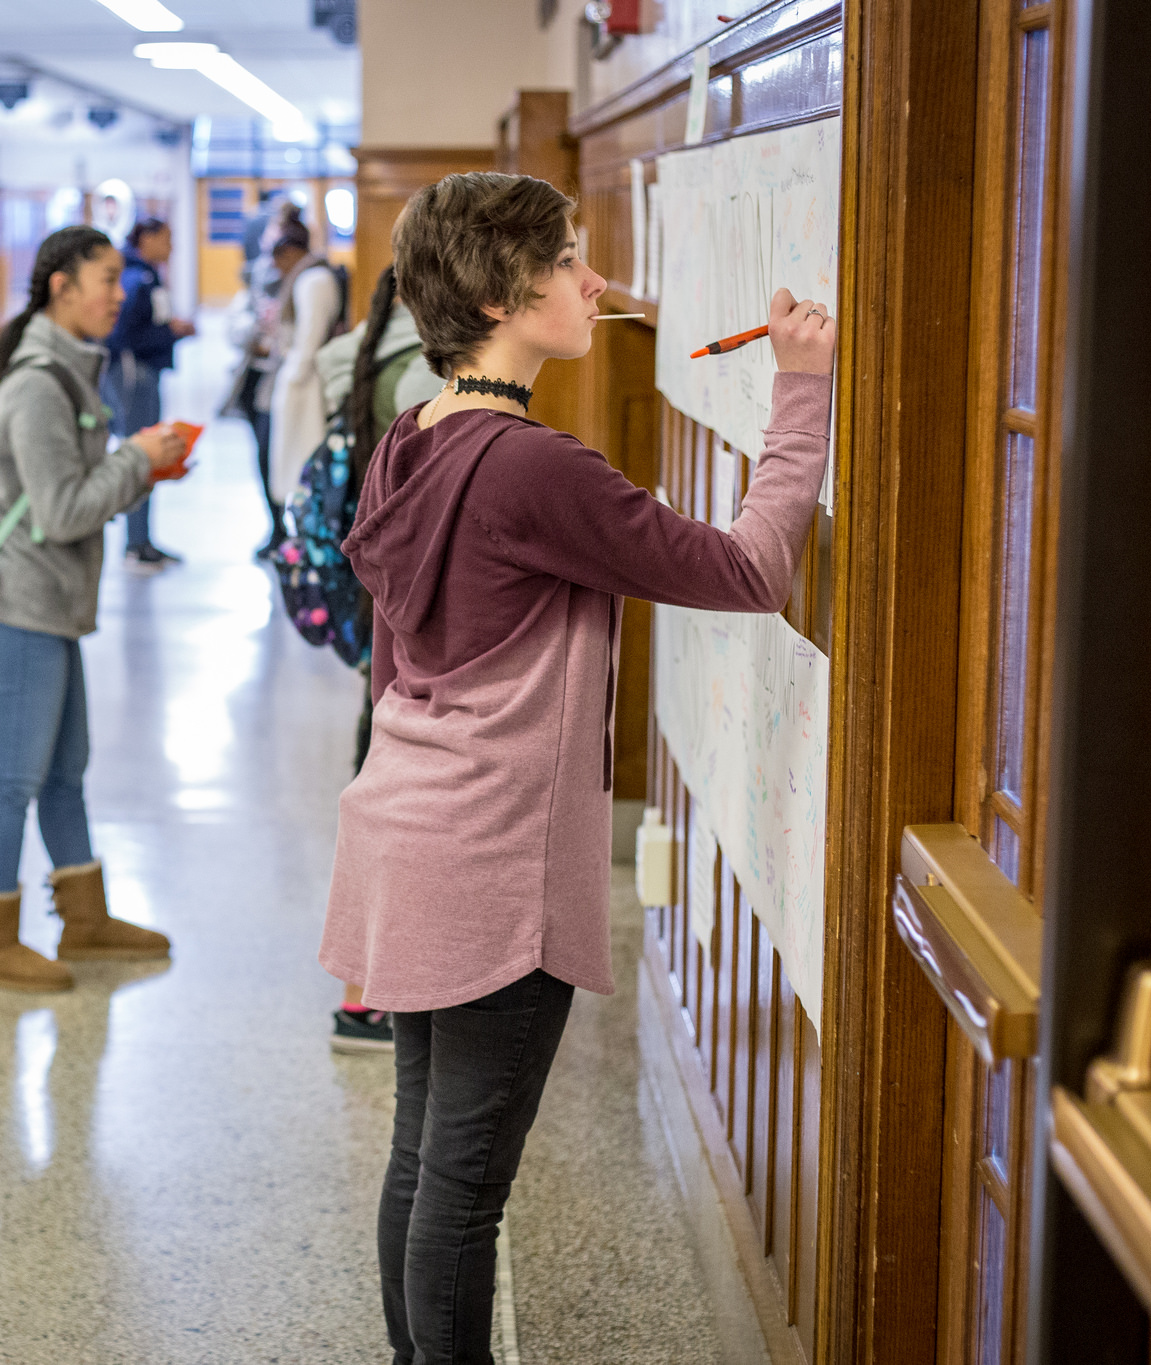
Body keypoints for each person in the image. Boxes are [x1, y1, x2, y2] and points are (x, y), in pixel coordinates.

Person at [320, 171, 834, 1363]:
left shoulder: (413, 436)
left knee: (423, 1152)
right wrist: (799, 392)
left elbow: (397, 657)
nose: (592, 280)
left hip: (403, 825)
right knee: (462, 1185)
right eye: (567, 261)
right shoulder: (533, 469)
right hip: (485, 858)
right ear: (505, 293)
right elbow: (752, 572)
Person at [0, 226, 189, 994]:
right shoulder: (37, 383)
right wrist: (137, 460)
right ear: (61, 285)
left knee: (65, 775)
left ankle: (85, 920)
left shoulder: (68, 371)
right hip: (19, 607)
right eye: (106, 278)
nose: (118, 293)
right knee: (13, 781)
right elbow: (60, 512)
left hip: (51, 606)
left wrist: (138, 466)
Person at [310, 265, 441, 1055]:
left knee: (378, 765)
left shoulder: (357, 355)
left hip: (372, 578)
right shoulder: (420, 380)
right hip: (407, 589)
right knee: (393, 781)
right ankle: (366, 998)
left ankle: (364, 988)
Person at [100, 217, 195, 572]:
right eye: (167, 238)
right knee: (142, 452)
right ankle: (136, 543)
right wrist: (170, 333)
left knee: (149, 456)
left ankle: (142, 539)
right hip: (132, 375)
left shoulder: (147, 274)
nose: (172, 247)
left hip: (145, 372)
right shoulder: (134, 278)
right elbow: (125, 334)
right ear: (148, 238)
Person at [263, 218, 343, 537]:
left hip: (309, 384)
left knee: (304, 460)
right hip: (302, 379)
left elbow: (310, 336)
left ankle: (307, 533)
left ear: (291, 253)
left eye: (279, 260)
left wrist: (292, 378)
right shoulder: (309, 277)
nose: (278, 268)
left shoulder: (314, 280)